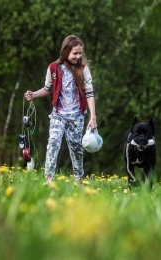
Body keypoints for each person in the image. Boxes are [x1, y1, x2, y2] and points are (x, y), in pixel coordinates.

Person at [24, 35, 97, 184]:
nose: (78, 56)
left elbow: (89, 93)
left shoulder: (83, 70)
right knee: (53, 143)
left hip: (77, 116)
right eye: (75, 53)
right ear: (66, 51)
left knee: (76, 149)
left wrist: (93, 117)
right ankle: (49, 178)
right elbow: (47, 88)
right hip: (58, 115)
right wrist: (34, 94)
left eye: (80, 53)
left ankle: (78, 180)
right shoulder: (53, 68)